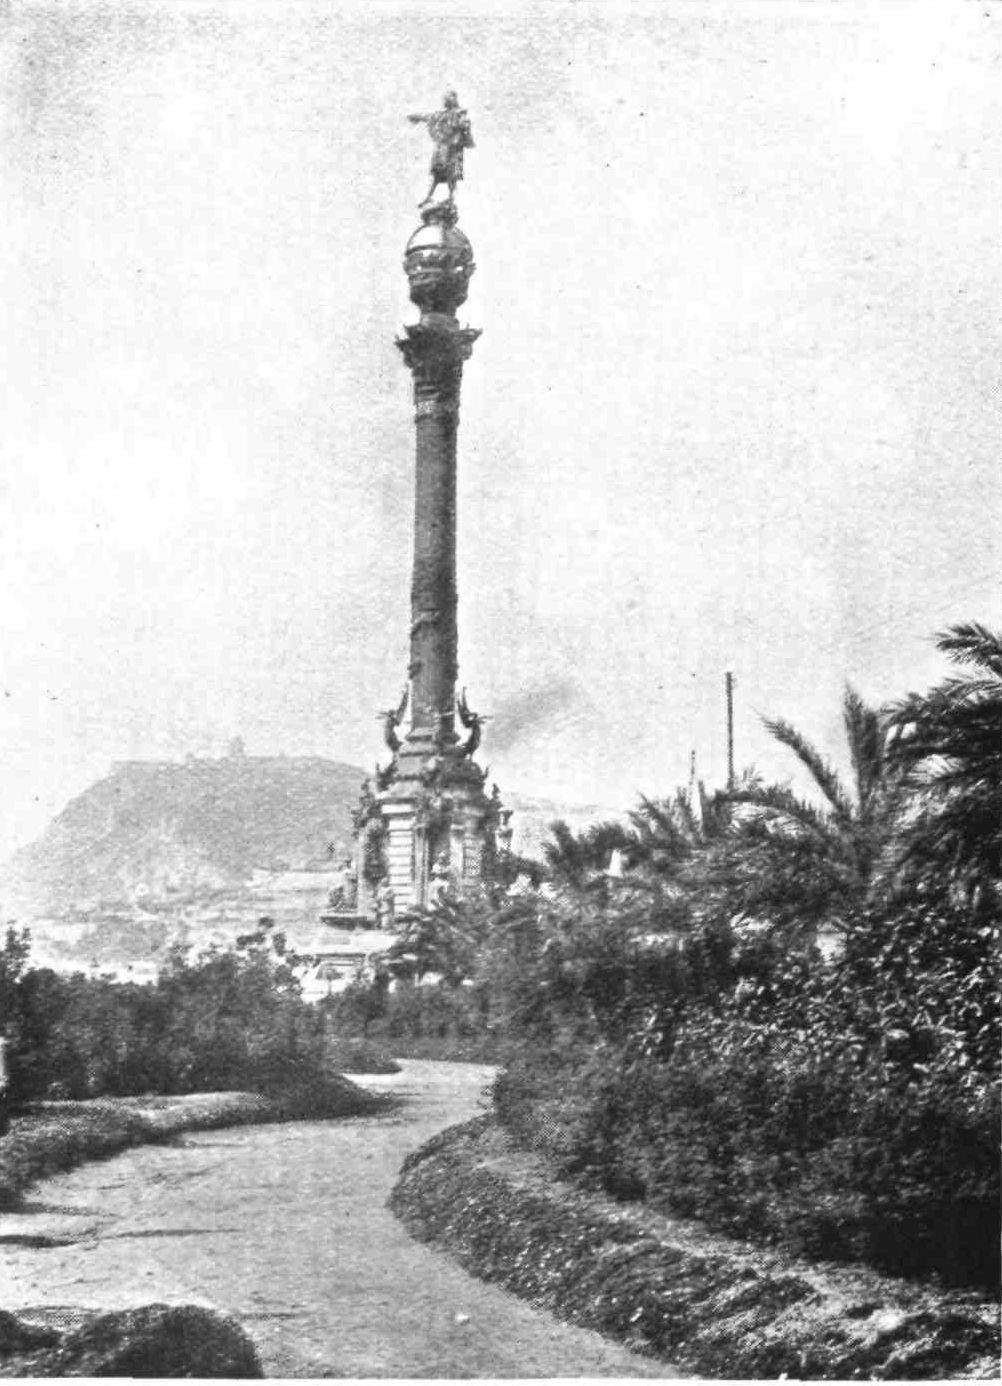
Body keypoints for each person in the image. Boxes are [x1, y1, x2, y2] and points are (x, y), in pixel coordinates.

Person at [408, 91, 474, 202]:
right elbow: (429, 117)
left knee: (452, 175)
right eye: (445, 99)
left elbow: (464, 125)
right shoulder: (442, 114)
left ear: (453, 100)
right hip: (443, 149)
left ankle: (451, 198)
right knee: (437, 174)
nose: (445, 101)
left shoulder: (459, 114)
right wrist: (417, 117)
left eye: (448, 99)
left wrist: (463, 129)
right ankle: (430, 196)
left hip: (453, 149)